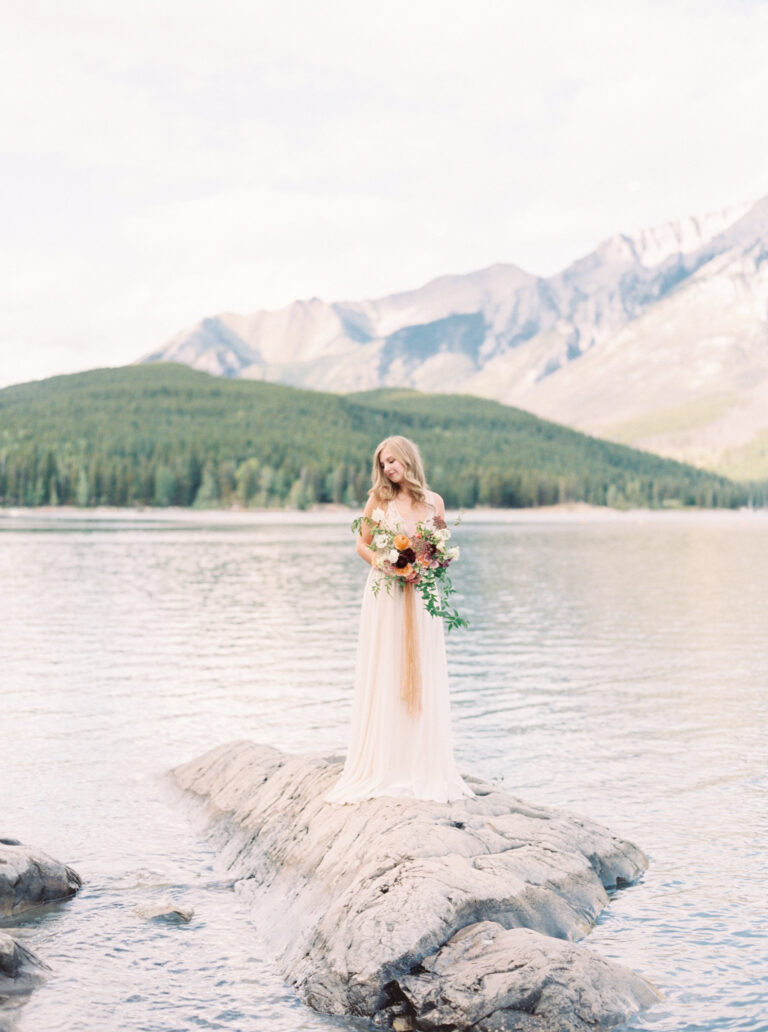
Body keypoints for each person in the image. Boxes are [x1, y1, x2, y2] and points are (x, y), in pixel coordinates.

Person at [325, 435, 475, 804]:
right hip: (387, 593)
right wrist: (386, 563)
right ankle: (385, 762)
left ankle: (421, 761)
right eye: (382, 463)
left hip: (422, 594)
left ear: (407, 459)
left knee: (423, 667)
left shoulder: (433, 501)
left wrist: (432, 562)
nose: (388, 468)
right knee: (388, 666)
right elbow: (363, 543)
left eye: (392, 460)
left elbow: (439, 545)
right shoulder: (379, 500)